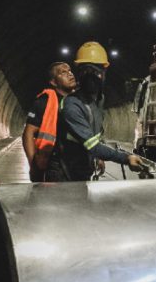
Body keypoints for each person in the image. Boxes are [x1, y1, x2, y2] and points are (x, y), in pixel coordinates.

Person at [45, 41, 142, 182]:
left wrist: (98, 157)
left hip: (81, 169)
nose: (90, 76)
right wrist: (126, 158)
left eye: (95, 71)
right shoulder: (72, 105)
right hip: (63, 174)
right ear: (78, 74)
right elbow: (92, 146)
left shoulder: (99, 100)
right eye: (85, 71)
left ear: (104, 72)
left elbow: (95, 135)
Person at [22, 62, 77, 181]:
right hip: (55, 166)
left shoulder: (79, 101)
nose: (70, 74)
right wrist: (33, 165)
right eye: (63, 72)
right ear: (53, 82)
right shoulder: (44, 102)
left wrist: (97, 157)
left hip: (78, 165)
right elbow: (28, 133)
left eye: (70, 71)